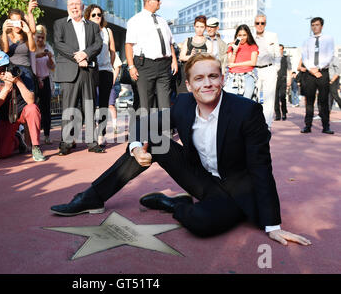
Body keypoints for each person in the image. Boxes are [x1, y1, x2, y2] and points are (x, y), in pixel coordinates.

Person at [50, 53, 312, 247]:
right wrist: (136, 147)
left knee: (201, 223)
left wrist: (272, 224)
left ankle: (175, 204)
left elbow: (261, 167)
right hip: (199, 176)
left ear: (222, 79)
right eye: (199, 78)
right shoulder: (184, 105)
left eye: (213, 76)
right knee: (152, 143)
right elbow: (146, 122)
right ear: (189, 85)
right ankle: (93, 196)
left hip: (234, 189)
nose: (207, 83)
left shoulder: (246, 112)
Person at [53, 0, 103, 156]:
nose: (74, 7)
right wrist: (77, 56)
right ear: (68, 7)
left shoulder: (93, 26)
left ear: (83, 6)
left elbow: (98, 44)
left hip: (88, 70)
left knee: (89, 106)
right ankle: (66, 143)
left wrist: (85, 54)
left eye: (77, 4)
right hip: (69, 71)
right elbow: (59, 44)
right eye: (71, 4)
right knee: (69, 108)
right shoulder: (59, 23)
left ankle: (92, 142)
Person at [0, 51, 46, 162]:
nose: (3, 72)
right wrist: (6, 88)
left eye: (5, 67)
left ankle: (36, 147)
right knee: (3, 153)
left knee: (32, 109)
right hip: (6, 117)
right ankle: (17, 139)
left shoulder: (23, 72)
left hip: (22, 111)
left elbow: (30, 100)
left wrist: (18, 81)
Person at [125, 0, 178, 113]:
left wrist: (174, 60)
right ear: (148, 1)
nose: (160, 2)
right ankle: (146, 131)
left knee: (165, 104)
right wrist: (131, 66)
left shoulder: (162, 20)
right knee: (145, 104)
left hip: (164, 66)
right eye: (158, 0)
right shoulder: (135, 20)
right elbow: (128, 45)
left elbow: (170, 42)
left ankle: (165, 132)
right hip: (145, 66)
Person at [84, 4, 116, 148]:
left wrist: (110, 65)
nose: (97, 17)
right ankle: (90, 134)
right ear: (88, 17)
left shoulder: (107, 31)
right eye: (93, 15)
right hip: (91, 70)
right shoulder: (86, 30)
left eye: (99, 14)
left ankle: (101, 134)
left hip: (105, 71)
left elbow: (113, 51)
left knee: (104, 104)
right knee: (89, 103)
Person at [300, 17, 335, 134]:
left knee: (324, 100)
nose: (315, 27)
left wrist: (319, 67)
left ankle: (326, 127)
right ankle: (308, 126)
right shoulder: (306, 41)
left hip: (322, 73)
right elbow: (304, 57)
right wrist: (312, 69)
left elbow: (330, 55)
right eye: (313, 25)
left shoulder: (329, 39)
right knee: (309, 100)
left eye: (317, 25)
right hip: (310, 74)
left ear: (322, 26)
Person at [0, 9, 37, 95]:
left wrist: (28, 32)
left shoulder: (26, 35)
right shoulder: (5, 35)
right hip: (11, 71)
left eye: (18, 21)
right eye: (13, 21)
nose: (16, 25)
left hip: (26, 70)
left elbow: (33, 49)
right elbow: (5, 50)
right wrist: (4, 32)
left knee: (28, 97)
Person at [253, 15, 280, 128]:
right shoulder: (250, 36)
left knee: (269, 99)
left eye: (262, 23)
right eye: (257, 23)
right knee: (254, 97)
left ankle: (267, 125)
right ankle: (254, 124)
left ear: (265, 24)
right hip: (255, 70)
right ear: (254, 24)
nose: (260, 25)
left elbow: (278, 54)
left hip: (269, 69)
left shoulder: (272, 36)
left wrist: (275, 69)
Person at [177, 15, 213, 94]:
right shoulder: (188, 40)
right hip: (186, 74)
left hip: (201, 76)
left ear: (205, 27)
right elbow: (181, 57)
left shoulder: (208, 43)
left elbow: (210, 61)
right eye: (197, 26)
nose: (199, 29)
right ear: (194, 27)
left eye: (202, 27)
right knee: (185, 98)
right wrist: (191, 56)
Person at [33, 24, 55, 145]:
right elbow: (30, 64)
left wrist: (50, 58)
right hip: (35, 80)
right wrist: (37, 55)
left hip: (46, 80)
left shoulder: (48, 47)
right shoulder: (31, 48)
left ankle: (46, 135)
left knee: (46, 109)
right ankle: (34, 135)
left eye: (42, 37)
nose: (40, 39)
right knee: (34, 109)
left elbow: (52, 67)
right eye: (38, 37)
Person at [224, 24, 258, 100]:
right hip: (233, 77)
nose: (242, 37)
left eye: (244, 35)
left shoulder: (253, 46)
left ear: (248, 35)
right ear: (236, 35)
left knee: (247, 103)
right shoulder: (231, 45)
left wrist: (235, 64)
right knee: (230, 101)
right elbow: (230, 63)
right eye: (240, 35)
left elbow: (253, 62)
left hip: (248, 76)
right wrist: (234, 51)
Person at [274, 45, 292, 121]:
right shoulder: (273, 58)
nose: (279, 51)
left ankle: (284, 113)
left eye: (281, 49)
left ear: (283, 50)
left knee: (282, 96)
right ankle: (277, 115)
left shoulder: (286, 58)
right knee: (275, 98)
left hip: (283, 79)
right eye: (278, 49)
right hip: (274, 79)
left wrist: (289, 79)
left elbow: (289, 69)